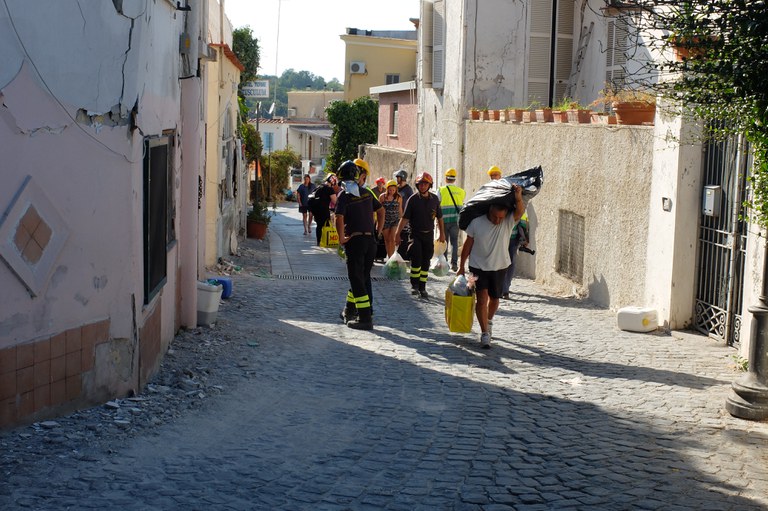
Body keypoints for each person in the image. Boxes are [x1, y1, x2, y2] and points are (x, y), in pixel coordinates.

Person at [457, 185, 524, 349]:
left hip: (500, 266)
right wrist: (461, 267)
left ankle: (489, 320)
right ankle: (485, 333)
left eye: (500, 218)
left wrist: (518, 197)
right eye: (495, 217)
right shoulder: (476, 223)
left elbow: (520, 211)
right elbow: (467, 245)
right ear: (489, 211)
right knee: (481, 300)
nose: (498, 221)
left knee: (495, 299)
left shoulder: (507, 221)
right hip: (477, 266)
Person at [335, 160, 385, 330]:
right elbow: (381, 210)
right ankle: (349, 310)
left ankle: (364, 317)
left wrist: (341, 237)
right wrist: (378, 231)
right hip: (370, 242)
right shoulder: (367, 192)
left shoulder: (344, 195)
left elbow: (339, 218)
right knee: (361, 277)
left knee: (356, 279)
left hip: (355, 241)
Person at [394, 172, 446, 299]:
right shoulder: (412, 200)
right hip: (415, 235)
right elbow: (405, 218)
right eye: (420, 184)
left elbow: (439, 218)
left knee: (425, 262)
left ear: (429, 185)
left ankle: (422, 287)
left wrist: (442, 234)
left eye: (425, 184)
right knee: (416, 259)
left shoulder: (435, 200)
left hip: (428, 236)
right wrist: (397, 234)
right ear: (417, 186)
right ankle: (414, 286)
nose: (423, 186)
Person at [437, 168, 466, 272]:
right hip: (455, 220)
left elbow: (437, 206)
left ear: (446, 178)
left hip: (443, 221)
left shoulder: (440, 190)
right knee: (454, 242)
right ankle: (454, 264)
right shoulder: (461, 191)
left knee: (444, 242)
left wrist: (436, 221)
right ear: (454, 179)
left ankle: (444, 264)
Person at [502, 211, 530, 299]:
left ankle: (505, 288)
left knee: (510, 263)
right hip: (500, 238)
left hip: (513, 239)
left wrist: (525, 236)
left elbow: (523, 219)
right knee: (502, 263)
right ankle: (503, 287)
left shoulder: (518, 203)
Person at [312, 173, 340, 246]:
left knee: (319, 226)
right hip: (324, 211)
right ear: (333, 182)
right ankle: (327, 240)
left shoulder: (319, 187)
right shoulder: (329, 189)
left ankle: (318, 241)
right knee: (327, 225)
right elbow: (335, 201)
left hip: (316, 211)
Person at [379, 179, 403, 258]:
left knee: (392, 239)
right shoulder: (382, 197)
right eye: (390, 190)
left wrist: (402, 221)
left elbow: (400, 210)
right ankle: (389, 258)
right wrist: (378, 222)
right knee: (387, 240)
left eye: (393, 190)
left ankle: (392, 257)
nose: (392, 191)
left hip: (395, 220)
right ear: (387, 189)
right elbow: (379, 210)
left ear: (396, 189)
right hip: (385, 220)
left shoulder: (399, 197)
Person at [394, 169, 414, 258]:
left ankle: (404, 254)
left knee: (404, 234)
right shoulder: (397, 188)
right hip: (396, 215)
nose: (397, 179)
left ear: (402, 178)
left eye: (398, 177)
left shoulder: (408, 190)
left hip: (405, 215)